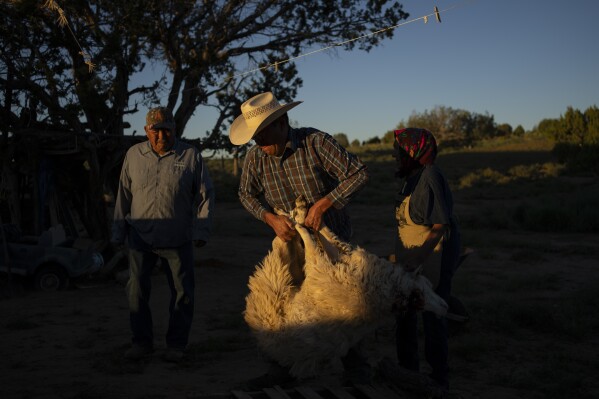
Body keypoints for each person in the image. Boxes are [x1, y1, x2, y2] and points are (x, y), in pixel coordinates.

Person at [229, 91, 370, 387]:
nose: (259, 142)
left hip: (331, 241)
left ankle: (355, 366)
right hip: (290, 243)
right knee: (281, 301)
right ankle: (281, 367)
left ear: (281, 122)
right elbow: (245, 194)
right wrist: (270, 218)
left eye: (262, 134)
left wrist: (323, 204)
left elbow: (358, 174)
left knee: (343, 303)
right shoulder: (256, 157)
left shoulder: (315, 143)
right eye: (254, 137)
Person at [112, 106, 214, 362]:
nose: (161, 137)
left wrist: (201, 229)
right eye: (155, 131)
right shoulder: (133, 155)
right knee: (136, 291)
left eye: (166, 130)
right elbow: (123, 195)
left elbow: (206, 196)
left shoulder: (190, 156)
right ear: (146, 130)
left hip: (177, 237)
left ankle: (176, 346)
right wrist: (117, 232)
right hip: (140, 237)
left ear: (174, 130)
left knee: (183, 293)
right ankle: (141, 343)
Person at [392, 127, 461, 393]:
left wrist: (419, 258)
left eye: (399, 151)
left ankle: (437, 380)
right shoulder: (411, 177)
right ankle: (408, 373)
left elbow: (440, 224)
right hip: (412, 258)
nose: (395, 156)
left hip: (433, 255)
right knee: (404, 313)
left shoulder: (430, 175)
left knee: (433, 315)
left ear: (412, 152)